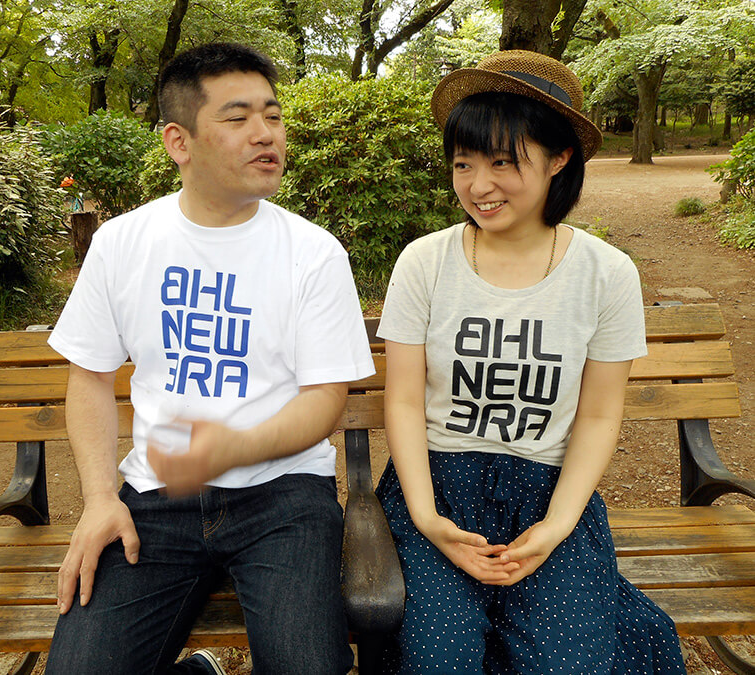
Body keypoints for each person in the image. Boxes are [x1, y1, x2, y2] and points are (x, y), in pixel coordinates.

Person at [45, 42, 373, 675]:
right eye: (238, 117)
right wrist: (100, 498)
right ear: (179, 141)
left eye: (272, 116)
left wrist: (232, 449)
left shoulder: (313, 253)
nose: (265, 134)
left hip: (285, 498)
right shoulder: (122, 242)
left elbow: (325, 399)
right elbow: (89, 378)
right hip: (155, 496)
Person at [375, 50, 686, 673]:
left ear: (559, 158)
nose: (477, 186)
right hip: (438, 484)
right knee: (440, 655)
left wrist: (556, 525)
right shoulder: (425, 262)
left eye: (503, 162)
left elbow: (598, 415)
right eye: (463, 163)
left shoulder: (606, 274)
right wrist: (427, 518)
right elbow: (404, 401)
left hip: (547, 492)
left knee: (566, 662)